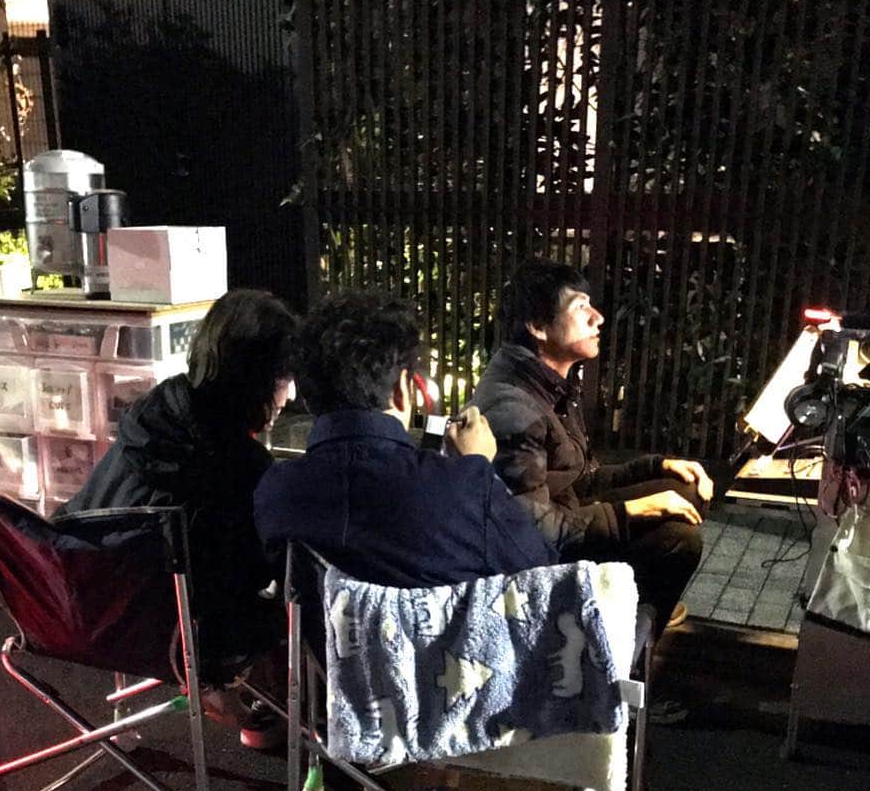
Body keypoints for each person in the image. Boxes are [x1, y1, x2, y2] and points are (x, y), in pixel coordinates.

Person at [56, 288, 297, 747]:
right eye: (284, 377)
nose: (292, 392)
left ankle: (232, 693)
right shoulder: (241, 468)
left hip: (78, 606)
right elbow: (256, 572)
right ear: (259, 378)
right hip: (168, 637)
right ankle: (263, 706)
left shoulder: (151, 414)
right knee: (295, 598)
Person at [471, 258, 712, 641]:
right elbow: (530, 531)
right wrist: (631, 512)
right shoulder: (514, 409)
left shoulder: (549, 381)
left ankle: (636, 605)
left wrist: (658, 466)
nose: (598, 318)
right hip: (538, 561)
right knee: (678, 541)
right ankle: (621, 646)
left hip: (564, 511)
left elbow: (580, 476)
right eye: (580, 307)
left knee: (684, 489)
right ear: (538, 327)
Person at [255, 289, 554, 589]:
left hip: (323, 622)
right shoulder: (464, 489)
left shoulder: (275, 492)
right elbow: (540, 572)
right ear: (402, 389)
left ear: (309, 398)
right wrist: (478, 467)